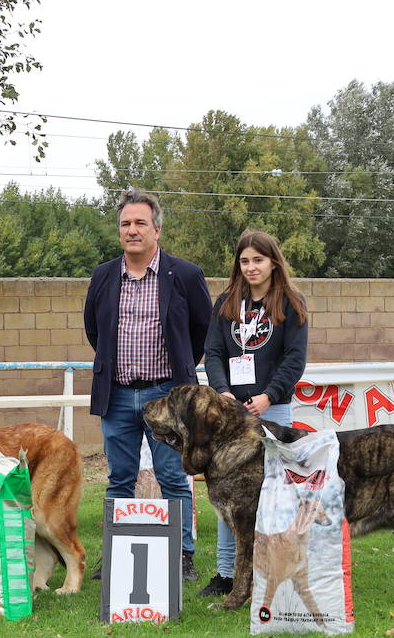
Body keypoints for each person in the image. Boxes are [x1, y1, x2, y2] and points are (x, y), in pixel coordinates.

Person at [84, 188, 211, 582]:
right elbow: (95, 329)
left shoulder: (185, 275)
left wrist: (178, 373)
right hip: (117, 394)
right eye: (125, 224)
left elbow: (201, 330)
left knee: (174, 476)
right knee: (119, 478)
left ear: (157, 230)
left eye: (140, 223)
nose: (132, 230)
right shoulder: (104, 275)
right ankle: (116, 553)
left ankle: (182, 554)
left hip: (167, 396)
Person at [200, 229, 309, 596]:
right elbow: (213, 352)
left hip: (273, 410)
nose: (251, 267)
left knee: (280, 493)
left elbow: (294, 360)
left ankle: (278, 571)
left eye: (258, 260)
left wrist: (268, 395)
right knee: (228, 492)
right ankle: (226, 574)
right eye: (244, 261)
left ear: (273, 262)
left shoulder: (291, 303)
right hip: (232, 417)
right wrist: (223, 392)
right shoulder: (226, 302)